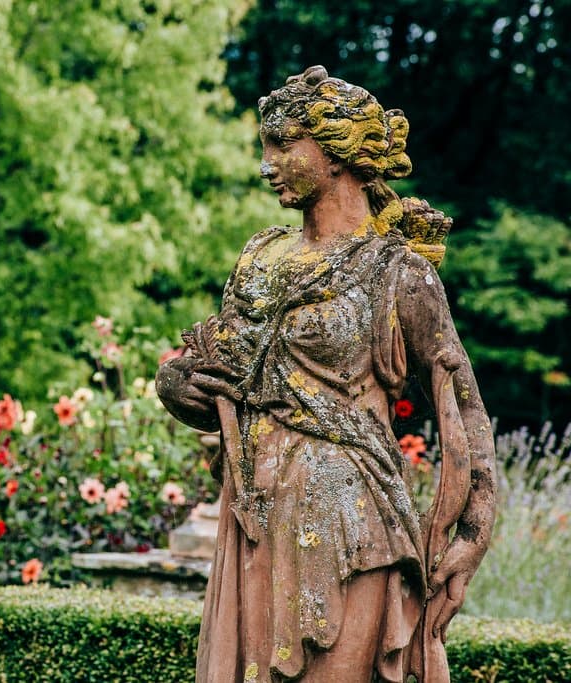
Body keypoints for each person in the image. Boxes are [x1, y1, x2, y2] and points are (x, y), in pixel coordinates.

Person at [156, 65, 496, 682]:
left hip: (350, 521)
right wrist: (176, 387)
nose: (268, 163)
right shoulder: (260, 256)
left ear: (336, 150)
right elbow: (220, 378)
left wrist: (469, 539)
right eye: (266, 146)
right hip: (253, 517)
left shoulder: (396, 272)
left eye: (283, 144)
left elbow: (463, 407)